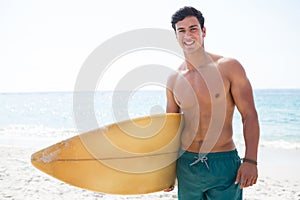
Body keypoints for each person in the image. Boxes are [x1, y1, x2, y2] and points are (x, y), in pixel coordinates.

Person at [165, 6, 260, 200]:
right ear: (176, 36)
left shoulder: (228, 67)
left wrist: (251, 160)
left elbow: (249, 114)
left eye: (193, 28)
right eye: (181, 30)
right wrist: (164, 170)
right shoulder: (174, 79)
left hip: (222, 162)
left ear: (204, 31)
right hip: (186, 164)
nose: (188, 35)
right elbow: (170, 129)